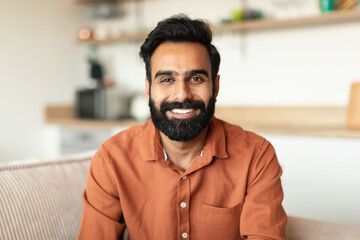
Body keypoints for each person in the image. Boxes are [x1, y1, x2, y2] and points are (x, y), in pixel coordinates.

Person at [78, 14, 287, 240]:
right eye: (167, 79)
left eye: (196, 79)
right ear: (148, 89)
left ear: (215, 87)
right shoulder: (112, 159)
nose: (182, 94)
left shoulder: (256, 156)